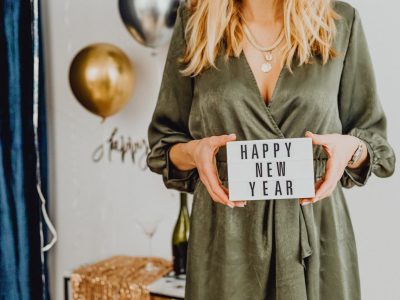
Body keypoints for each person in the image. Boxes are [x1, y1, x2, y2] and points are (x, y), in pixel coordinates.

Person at [146, 0, 396, 299]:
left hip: (317, 237)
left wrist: (351, 150)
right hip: (226, 241)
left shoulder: (340, 20)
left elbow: (376, 144)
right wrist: (195, 153)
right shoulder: (194, 20)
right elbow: (164, 144)